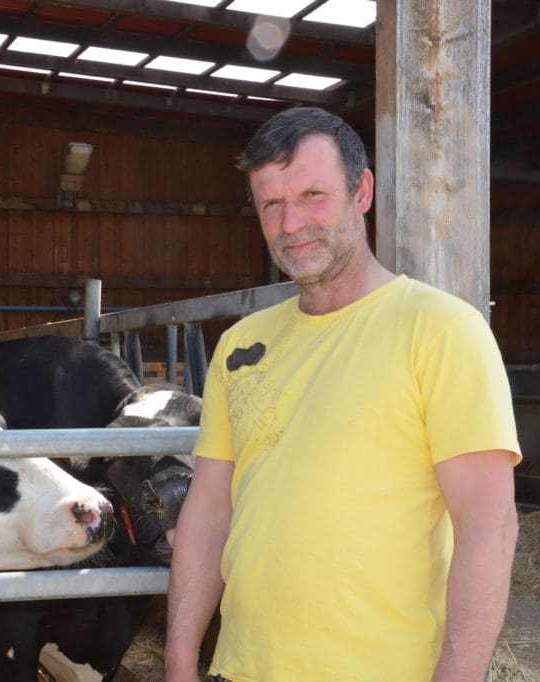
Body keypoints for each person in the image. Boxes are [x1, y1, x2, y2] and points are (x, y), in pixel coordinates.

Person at [164, 106, 521, 682]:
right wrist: (180, 661)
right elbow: (208, 511)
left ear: (363, 192)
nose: (290, 223)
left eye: (312, 195)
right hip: (239, 669)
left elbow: (490, 526)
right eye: (271, 204)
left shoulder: (439, 330)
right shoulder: (239, 345)